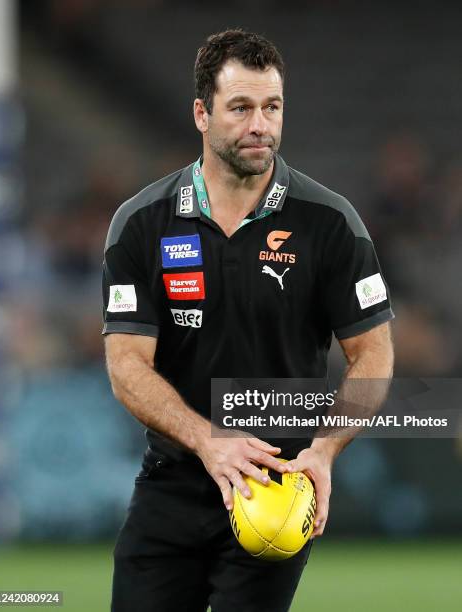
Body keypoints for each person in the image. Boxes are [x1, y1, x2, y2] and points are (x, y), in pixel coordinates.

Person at [102, 29, 394, 612]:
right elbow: (126, 365)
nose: (260, 124)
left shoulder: (330, 223)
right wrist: (209, 442)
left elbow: (375, 354)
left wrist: (325, 449)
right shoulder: (142, 223)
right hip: (173, 483)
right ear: (201, 114)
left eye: (272, 107)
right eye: (240, 108)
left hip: (277, 486)